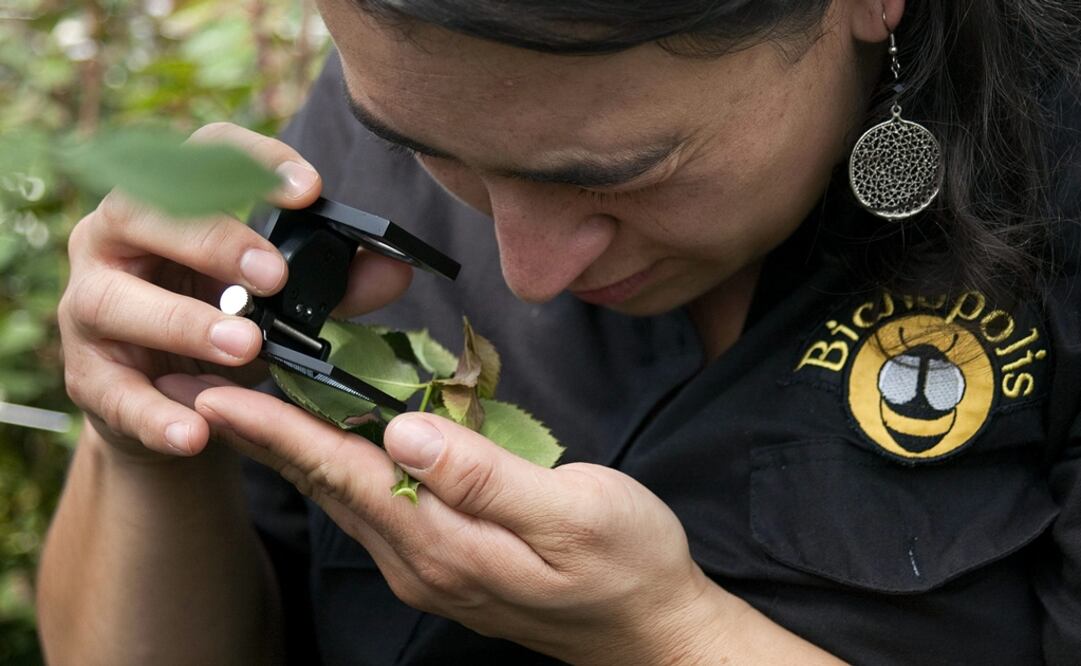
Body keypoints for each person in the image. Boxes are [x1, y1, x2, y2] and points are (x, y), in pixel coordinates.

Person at [36, 0, 1081, 663]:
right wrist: (147, 425)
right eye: (421, 149)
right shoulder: (423, 82)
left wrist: (668, 638)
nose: (528, 275)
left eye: (609, 176)